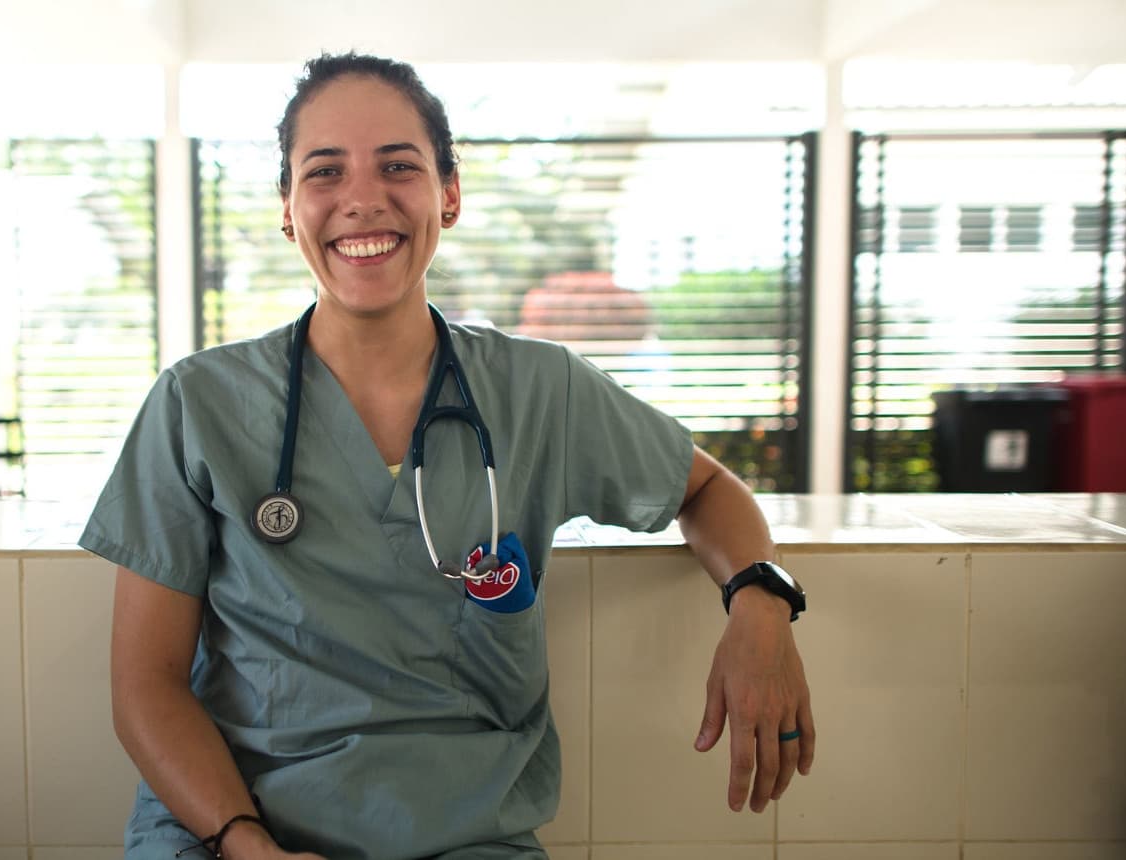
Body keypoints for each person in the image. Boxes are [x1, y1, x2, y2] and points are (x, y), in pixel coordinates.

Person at [79, 52, 814, 860]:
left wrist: (759, 605)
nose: (362, 199)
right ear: (288, 209)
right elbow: (144, 684)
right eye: (324, 172)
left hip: (465, 836)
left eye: (399, 165)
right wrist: (244, 840)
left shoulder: (539, 389)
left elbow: (707, 488)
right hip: (229, 826)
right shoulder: (199, 404)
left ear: (449, 195)